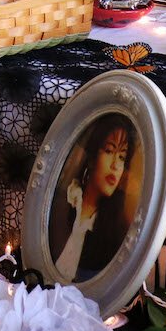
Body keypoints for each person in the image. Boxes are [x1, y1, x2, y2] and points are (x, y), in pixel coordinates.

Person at [48, 115, 140, 281]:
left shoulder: (112, 232)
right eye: (109, 151)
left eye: (121, 157)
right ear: (91, 158)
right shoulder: (63, 200)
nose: (115, 166)